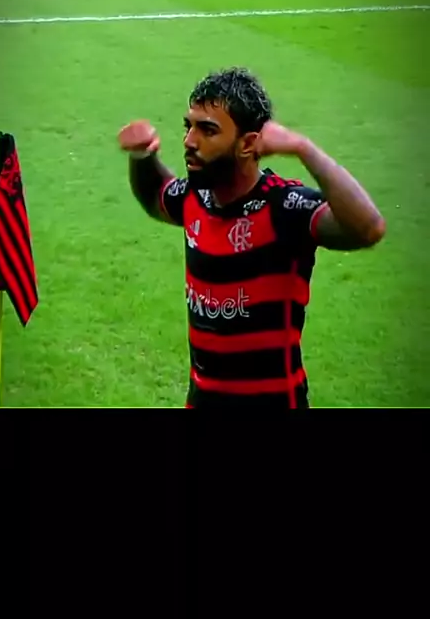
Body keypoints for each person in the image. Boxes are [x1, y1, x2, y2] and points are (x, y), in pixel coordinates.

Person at [118, 67, 386, 409]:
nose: (189, 141)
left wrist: (304, 149)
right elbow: (156, 195)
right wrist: (142, 155)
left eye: (207, 130)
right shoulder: (195, 198)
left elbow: (368, 228)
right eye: (189, 126)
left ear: (247, 144)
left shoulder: (282, 207)